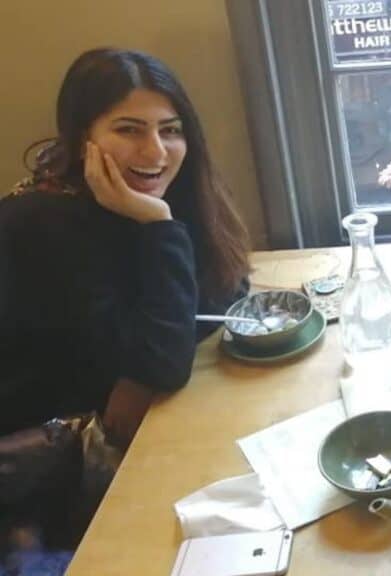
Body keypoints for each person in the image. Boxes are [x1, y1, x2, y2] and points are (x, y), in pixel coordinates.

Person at [0, 48, 250, 555]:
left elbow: (225, 290)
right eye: (129, 129)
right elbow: (158, 363)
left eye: (171, 129)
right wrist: (157, 226)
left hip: (135, 433)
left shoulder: (142, 195)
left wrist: (155, 221)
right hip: (51, 479)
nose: (155, 151)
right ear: (82, 136)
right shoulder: (40, 222)